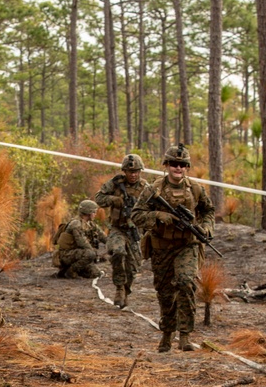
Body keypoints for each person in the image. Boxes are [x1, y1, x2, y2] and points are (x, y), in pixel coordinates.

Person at [132, 144, 214, 352]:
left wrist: (205, 227)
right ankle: (167, 333)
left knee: (186, 282)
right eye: (174, 164)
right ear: (167, 165)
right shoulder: (153, 190)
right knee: (165, 292)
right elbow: (136, 215)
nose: (178, 168)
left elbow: (208, 211)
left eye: (182, 165)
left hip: (187, 245)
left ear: (187, 167)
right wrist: (158, 216)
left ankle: (185, 335)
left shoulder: (195, 189)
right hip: (162, 247)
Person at [94, 154, 151, 308]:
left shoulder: (145, 187)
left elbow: (153, 207)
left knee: (133, 268)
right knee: (118, 252)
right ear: (124, 171)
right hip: (117, 228)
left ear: (140, 172)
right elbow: (98, 198)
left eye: (136, 171)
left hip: (135, 231)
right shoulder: (116, 183)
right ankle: (119, 287)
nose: (133, 175)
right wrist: (114, 200)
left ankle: (126, 289)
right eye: (129, 171)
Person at [54, 200, 105, 279]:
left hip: (78, 254)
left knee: (96, 274)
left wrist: (113, 245)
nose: (95, 214)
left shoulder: (90, 224)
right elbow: (82, 243)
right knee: (90, 253)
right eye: (94, 212)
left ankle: (66, 271)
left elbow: (103, 237)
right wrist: (94, 254)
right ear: (88, 212)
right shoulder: (76, 224)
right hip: (66, 255)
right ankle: (71, 272)